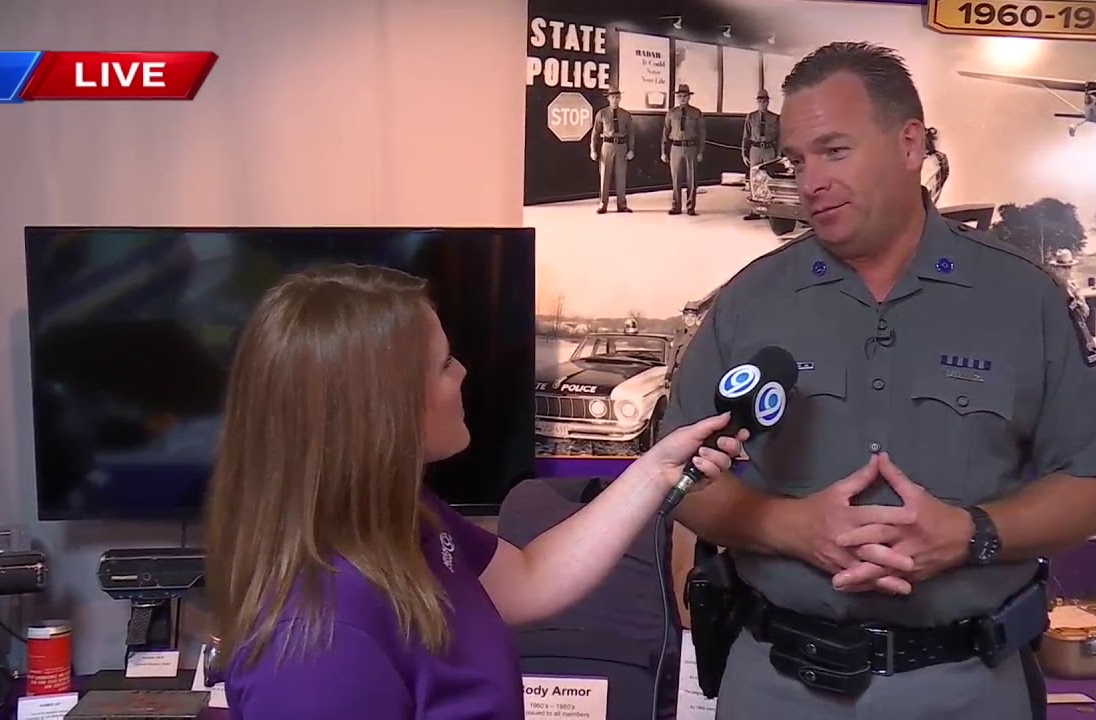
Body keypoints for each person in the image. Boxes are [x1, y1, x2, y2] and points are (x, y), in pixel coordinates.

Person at [659, 42, 1096, 719]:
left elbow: (1095, 488)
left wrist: (971, 534)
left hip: (967, 685)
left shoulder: (1024, 300)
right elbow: (679, 479)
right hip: (776, 683)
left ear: (910, 144)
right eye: (797, 160)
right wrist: (790, 528)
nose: (809, 180)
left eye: (834, 151)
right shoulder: (749, 301)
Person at [204, 264, 748, 719]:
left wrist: (656, 470)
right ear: (380, 411)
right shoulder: (321, 641)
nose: (463, 372)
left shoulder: (405, 523)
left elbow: (530, 579)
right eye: (443, 364)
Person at [662, 84, 705, 216]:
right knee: (676, 178)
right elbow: (665, 132)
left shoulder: (696, 113)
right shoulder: (671, 113)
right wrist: (663, 151)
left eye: (685, 96)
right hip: (675, 148)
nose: (682, 99)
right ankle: (676, 206)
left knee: (692, 179)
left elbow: (702, 133)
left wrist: (700, 152)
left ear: (689, 97)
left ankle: (691, 207)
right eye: (680, 96)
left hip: (691, 147)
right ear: (677, 97)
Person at [592, 88, 634, 214]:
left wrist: (631, 149)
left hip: (621, 146)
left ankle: (622, 205)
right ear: (608, 99)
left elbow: (631, 133)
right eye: (612, 97)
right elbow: (595, 133)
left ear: (620, 98)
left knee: (621, 176)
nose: (615, 100)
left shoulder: (626, 115)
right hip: (607, 146)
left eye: (617, 97)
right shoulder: (602, 114)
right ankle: (602, 204)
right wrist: (593, 150)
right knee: (604, 176)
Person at [742, 89, 781, 221]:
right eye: (760, 101)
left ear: (768, 102)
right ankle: (755, 210)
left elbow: (780, 138)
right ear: (757, 102)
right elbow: (746, 136)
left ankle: (771, 211)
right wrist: (744, 153)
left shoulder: (775, 118)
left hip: (769, 149)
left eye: (764, 101)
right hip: (755, 149)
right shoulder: (751, 117)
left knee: (769, 179)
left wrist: (779, 154)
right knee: (754, 180)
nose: (762, 104)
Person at [1047, 248, 1090, 318]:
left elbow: (1086, 312)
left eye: (1069, 267)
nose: (1067, 271)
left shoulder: (1073, 288)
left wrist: (1078, 300)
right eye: (1064, 267)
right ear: (1056, 268)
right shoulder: (1050, 288)